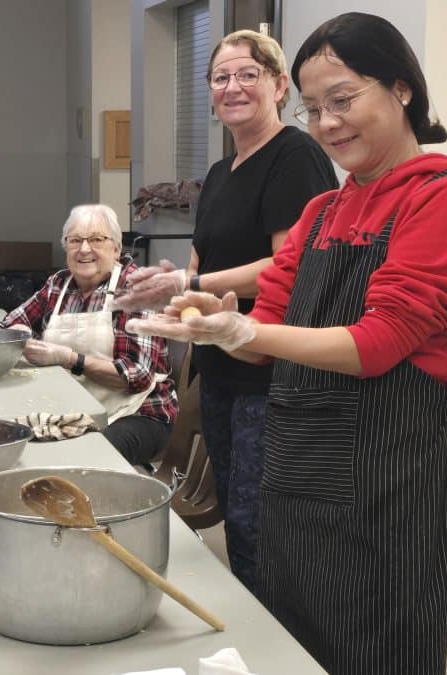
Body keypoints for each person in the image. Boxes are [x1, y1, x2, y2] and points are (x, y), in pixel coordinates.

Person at [128, 12, 447, 674]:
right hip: (295, 487)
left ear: (402, 88)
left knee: (373, 649)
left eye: (344, 100)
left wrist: (245, 328)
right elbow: (262, 343)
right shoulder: (325, 212)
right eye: (314, 108)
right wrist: (214, 319)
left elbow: (379, 343)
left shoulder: (440, 200)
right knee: (290, 643)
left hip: (386, 493)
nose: (327, 124)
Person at [116, 30, 338, 595]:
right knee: (237, 517)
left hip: (269, 369)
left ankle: (276, 642)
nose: (232, 87)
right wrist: (164, 289)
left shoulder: (296, 157)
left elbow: (288, 264)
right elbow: (200, 261)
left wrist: (191, 280)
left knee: (256, 520)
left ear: (280, 85)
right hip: (219, 368)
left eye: (247, 74)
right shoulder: (219, 173)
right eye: (220, 77)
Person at [0, 204, 177, 465]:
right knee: (12, 445)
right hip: (71, 407)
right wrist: (16, 334)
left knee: (85, 460)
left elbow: (136, 376)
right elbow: (2, 330)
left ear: (116, 248)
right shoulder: (59, 284)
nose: (84, 249)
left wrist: (71, 359)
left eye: (96, 240)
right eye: (75, 240)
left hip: (137, 413)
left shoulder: (136, 289)